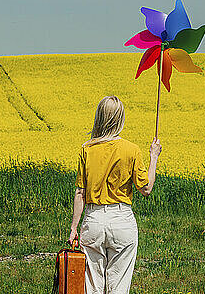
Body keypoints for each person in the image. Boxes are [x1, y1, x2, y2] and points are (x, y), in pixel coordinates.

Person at [67, 95, 162, 293]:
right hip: (121, 220)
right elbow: (146, 189)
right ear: (121, 118)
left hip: (93, 221)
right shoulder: (132, 150)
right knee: (118, 286)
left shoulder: (87, 149)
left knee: (92, 287)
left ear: (99, 117)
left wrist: (74, 227)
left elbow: (80, 193)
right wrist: (153, 156)